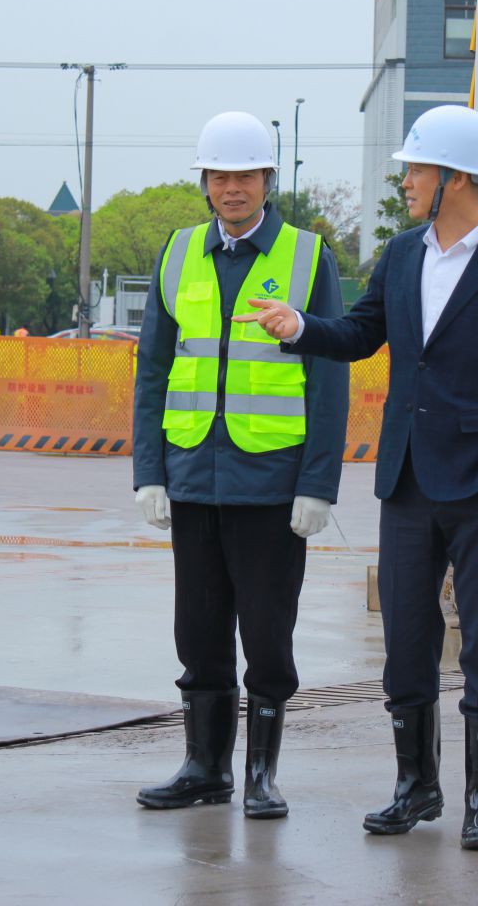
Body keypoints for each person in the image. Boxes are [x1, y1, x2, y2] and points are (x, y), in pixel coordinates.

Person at [235, 104, 478, 850]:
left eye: (415, 170)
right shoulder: (403, 253)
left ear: (456, 178)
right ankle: (416, 788)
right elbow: (361, 332)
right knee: (407, 640)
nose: (406, 183)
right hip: (408, 481)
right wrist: (300, 327)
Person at [132, 111, 348, 820]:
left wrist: (318, 485)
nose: (232, 188)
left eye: (245, 176)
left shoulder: (307, 257)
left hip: (271, 487)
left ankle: (260, 774)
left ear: (267, 180)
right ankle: (204, 767)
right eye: (219, 176)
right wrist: (149, 470)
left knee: (267, 636)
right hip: (194, 479)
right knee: (198, 634)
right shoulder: (177, 252)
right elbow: (153, 370)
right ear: (204, 182)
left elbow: (328, 379)